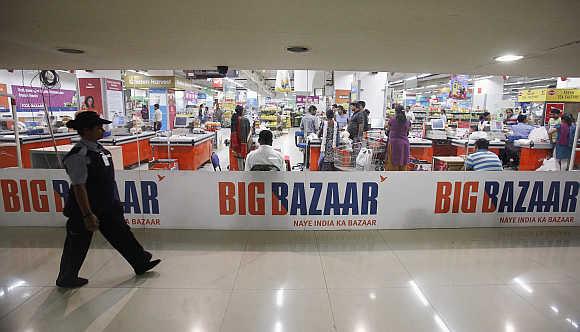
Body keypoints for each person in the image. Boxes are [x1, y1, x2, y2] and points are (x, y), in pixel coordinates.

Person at [56, 111, 160, 288]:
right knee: (77, 244)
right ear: (87, 130)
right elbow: (79, 186)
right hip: (86, 210)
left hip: (107, 207)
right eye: (98, 127)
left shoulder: (98, 149)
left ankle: (140, 262)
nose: (102, 130)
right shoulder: (79, 155)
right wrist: (87, 214)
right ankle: (66, 277)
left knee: (123, 235)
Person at [385, 105, 410, 171]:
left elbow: (387, 129)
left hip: (394, 144)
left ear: (396, 112)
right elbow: (407, 132)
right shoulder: (407, 121)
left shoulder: (392, 120)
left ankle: (393, 179)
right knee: (403, 162)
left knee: (393, 163)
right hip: (404, 144)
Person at [230, 105, 251, 170]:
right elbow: (248, 132)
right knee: (243, 159)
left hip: (235, 142)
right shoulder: (244, 120)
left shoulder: (234, 118)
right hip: (242, 143)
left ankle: (241, 172)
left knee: (239, 160)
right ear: (241, 111)